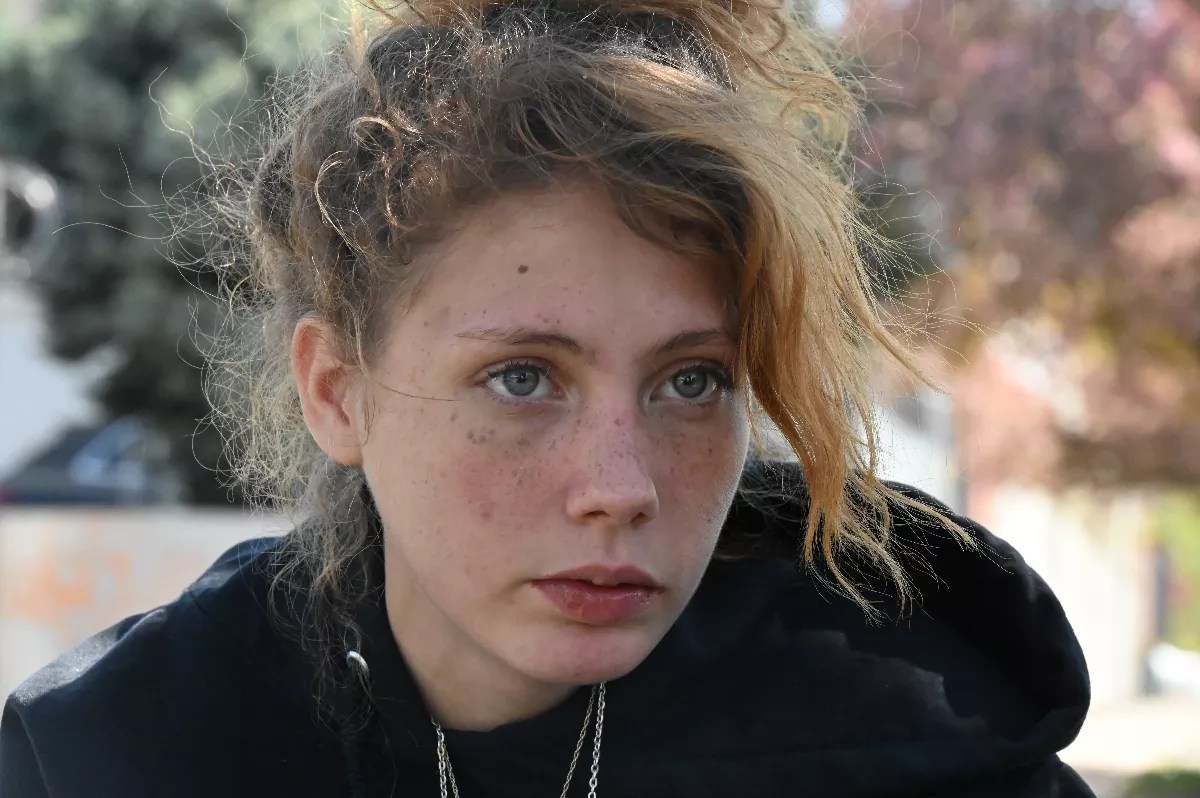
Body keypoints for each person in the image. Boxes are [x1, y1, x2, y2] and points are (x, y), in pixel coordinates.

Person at [0, 1, 1096, 795]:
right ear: (337, 391)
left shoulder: (925, 738)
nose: (619, 488)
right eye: (522, 377)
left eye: (692, 380)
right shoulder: (119, 752)